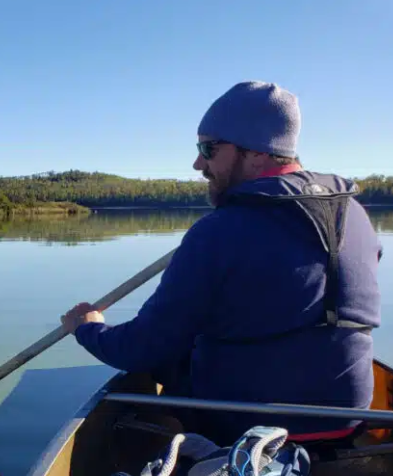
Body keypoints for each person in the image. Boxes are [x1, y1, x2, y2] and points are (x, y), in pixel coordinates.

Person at [61, 81, 382, 445]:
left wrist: (87, 328)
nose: (198, 163)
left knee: (164, 354)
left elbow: (138, 348)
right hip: (350, 416)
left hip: (246, 428)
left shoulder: (218, 231)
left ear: (258, 153)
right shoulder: (354, 214)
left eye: (208, 148)